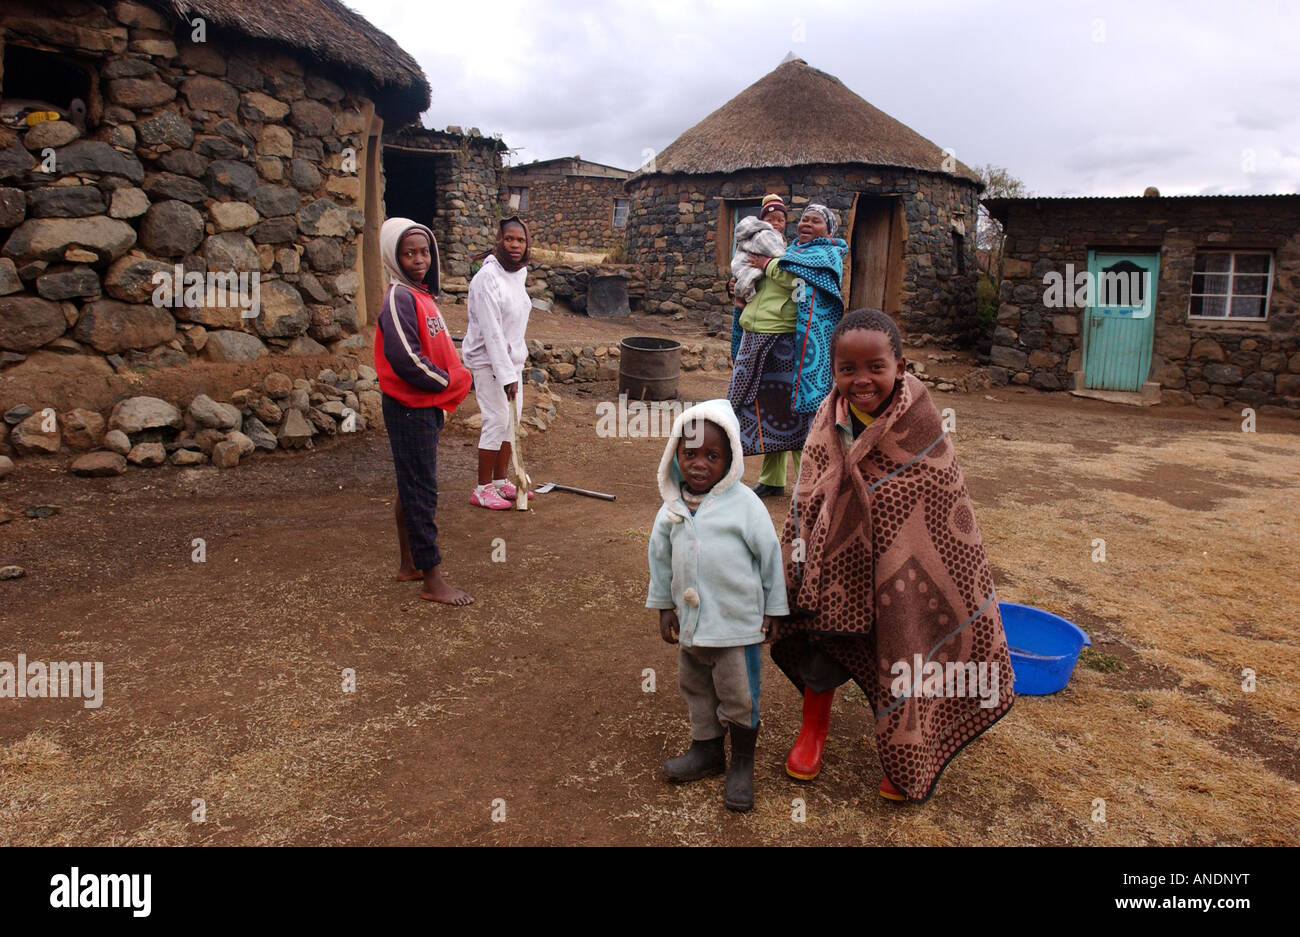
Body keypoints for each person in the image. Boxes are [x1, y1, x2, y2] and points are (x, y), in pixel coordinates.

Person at [770, 309, 1015, 802]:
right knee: (819, 639)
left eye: (875, 367)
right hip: (839, 565)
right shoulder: (826, 419)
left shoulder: (922, 422)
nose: (861, 380)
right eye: (847, 369)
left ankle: (910, 748)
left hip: (905, 573)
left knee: (908, 644)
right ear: (833, 371)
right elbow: (808, 496)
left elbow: (941, 505)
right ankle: (813, 729)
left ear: (900, 366)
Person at [646, 400, 788, 812]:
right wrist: (664, 606)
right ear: (676, 454)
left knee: (738, 694)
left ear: (730, 460)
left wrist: (774, 609)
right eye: (690, 454)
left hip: (736, 625)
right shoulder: (670, 509)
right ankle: (707, 750)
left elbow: (769, 558)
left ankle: (742, 763)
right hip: (692, 626)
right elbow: (659, 560)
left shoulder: (746, 506)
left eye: (712, 455)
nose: (700, 464)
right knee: (696, 686)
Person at [374, 217, 474, 605]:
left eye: (424, 251)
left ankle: (410, 563)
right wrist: (448, 382)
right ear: (393, 257)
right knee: (421, 489)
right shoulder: (399, 297)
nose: (420, 259)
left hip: (422, 405)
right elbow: (405, 360)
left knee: (410, 483)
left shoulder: (418, 295)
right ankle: (432, 580)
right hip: (410, 406)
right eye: (409, 252)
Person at [727, 203, 847, 499]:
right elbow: (763, 279)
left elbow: (799, 282)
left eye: (816, 220)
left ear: (828, 229)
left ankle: (809, 482)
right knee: (769, 409)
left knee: (799, 414)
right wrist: (738, 285)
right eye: (804, 218)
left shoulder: (826, 254)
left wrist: (767, 265)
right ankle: (772, 479)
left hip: (790, 342)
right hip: (760, 332)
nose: (807, 223)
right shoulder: (786, 249)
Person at [463, 216, 532, 509]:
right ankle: (482, 488)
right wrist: (505, 375)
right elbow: (491, 332)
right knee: (496, 419)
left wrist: (513, 367)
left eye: (520, 240)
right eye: (509, 239)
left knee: (512, 421)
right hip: (488, 362)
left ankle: (501, 481)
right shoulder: (486, 278)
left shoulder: (518, 274)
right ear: (499, 241)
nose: (515, 245)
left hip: (510, 363)